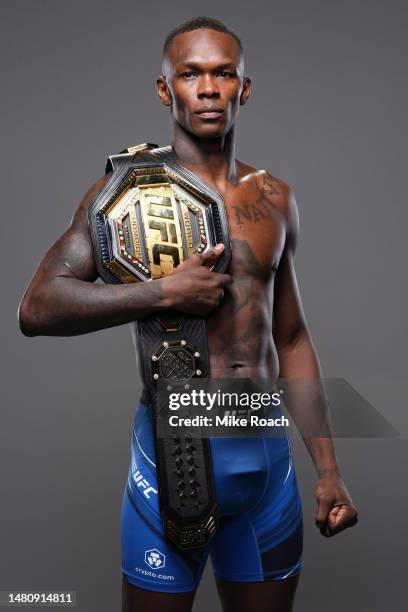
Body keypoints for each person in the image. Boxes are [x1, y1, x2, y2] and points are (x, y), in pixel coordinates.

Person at [18, 16, 358, 612]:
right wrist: (161, 293)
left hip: (265, 457)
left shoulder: (273, 197)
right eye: (190, 74)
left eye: (223, 73)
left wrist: (327, 466)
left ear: (243, 88)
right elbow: (37, 306)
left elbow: (293, 337)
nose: (207, 88)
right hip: (172, 459)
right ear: (164, 88)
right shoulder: (124, 195)